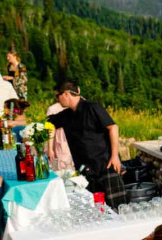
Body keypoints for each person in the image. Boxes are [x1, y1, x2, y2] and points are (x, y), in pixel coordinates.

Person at [47, 80, 126, 208]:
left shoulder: (92, 107)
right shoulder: (66, 115)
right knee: (96, 210)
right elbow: (48, 125)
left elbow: (113, 127)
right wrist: (48, 147)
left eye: (57, 96)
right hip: (86, 170)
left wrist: (115, 156)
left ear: (66, 94)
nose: (57, 100)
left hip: (106, 164)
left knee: (118, 207)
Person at [45, 98, 75, 171]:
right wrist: (50, 148)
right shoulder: (52, 109)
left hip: (70, 141)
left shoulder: (72, 107)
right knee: (58, 166)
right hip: (58, 142)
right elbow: (49, 128)